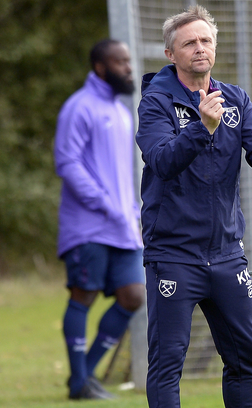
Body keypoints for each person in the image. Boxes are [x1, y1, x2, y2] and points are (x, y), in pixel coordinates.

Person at [135, 5, 252, 408]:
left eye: (206, 40)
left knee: (244, 356)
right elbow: (162, 160)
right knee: (167, 363)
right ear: (171, 54)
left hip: (227, 255)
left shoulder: (235, 98)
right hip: (174, 255)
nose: (200, 48)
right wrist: (202, 128)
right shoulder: (155, 103)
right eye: (189, 43)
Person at [54, 39, 144, 400]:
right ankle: (80, 381)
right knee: (84, 294)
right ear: (100, 68)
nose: (128, 68)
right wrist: (104, 202)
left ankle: (85, 376)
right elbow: (67, 162)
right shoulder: (79, 107)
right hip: (88, 225)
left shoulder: (123, 113)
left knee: (134, 296)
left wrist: (133, 212)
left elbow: (123, 174)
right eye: (119, 62)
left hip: (123, 226)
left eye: (128, 61)